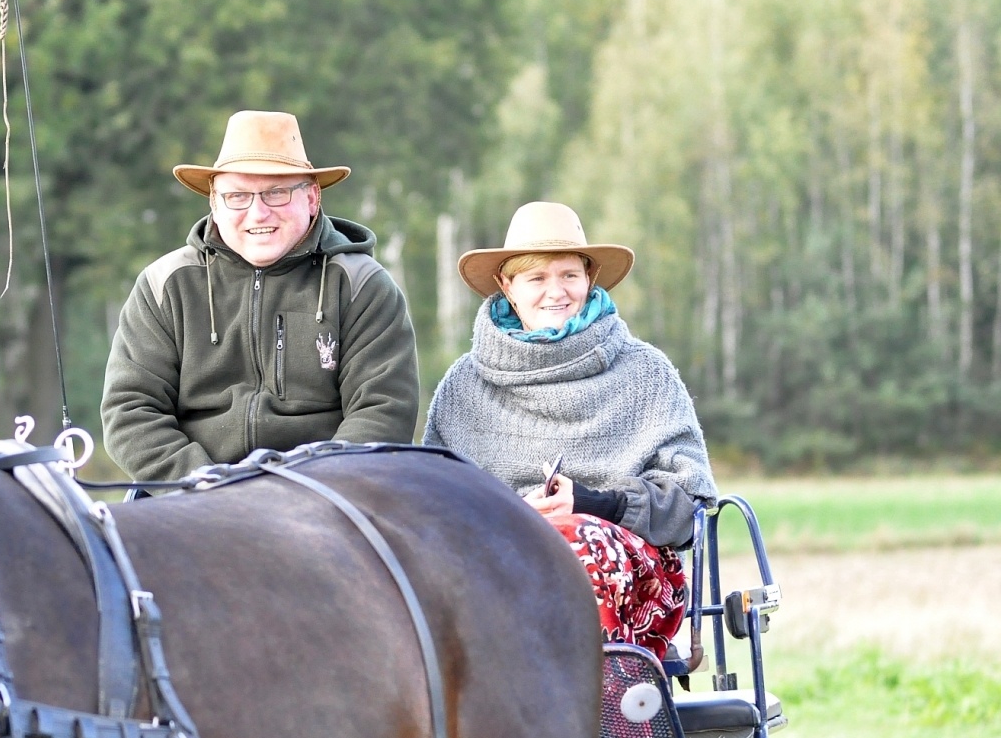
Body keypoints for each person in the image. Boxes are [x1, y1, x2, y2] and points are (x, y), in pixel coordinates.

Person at [423, 201, 716, 658]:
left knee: (575, 546)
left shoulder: (646, 373)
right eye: (536, 278)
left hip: (627, 576)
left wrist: (590, 504)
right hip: (497, 573)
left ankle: (608, 725)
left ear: (589, 279)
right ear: (507, 288)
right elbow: (435, 508)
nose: (555, 292)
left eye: (569, 275)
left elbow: (689, 509)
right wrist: (516, 516)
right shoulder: (463, 388)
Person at [102, 110, 419, 482]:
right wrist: (208, 487)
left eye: (276, 192)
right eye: (237, 196)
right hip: (191, 497)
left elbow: (383, 411)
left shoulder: (362, 285)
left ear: (312, 198)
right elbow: (131, 411)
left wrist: (309, 493)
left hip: (326, 498)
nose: (257, 212)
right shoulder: (164, 285)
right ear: (214, 204)